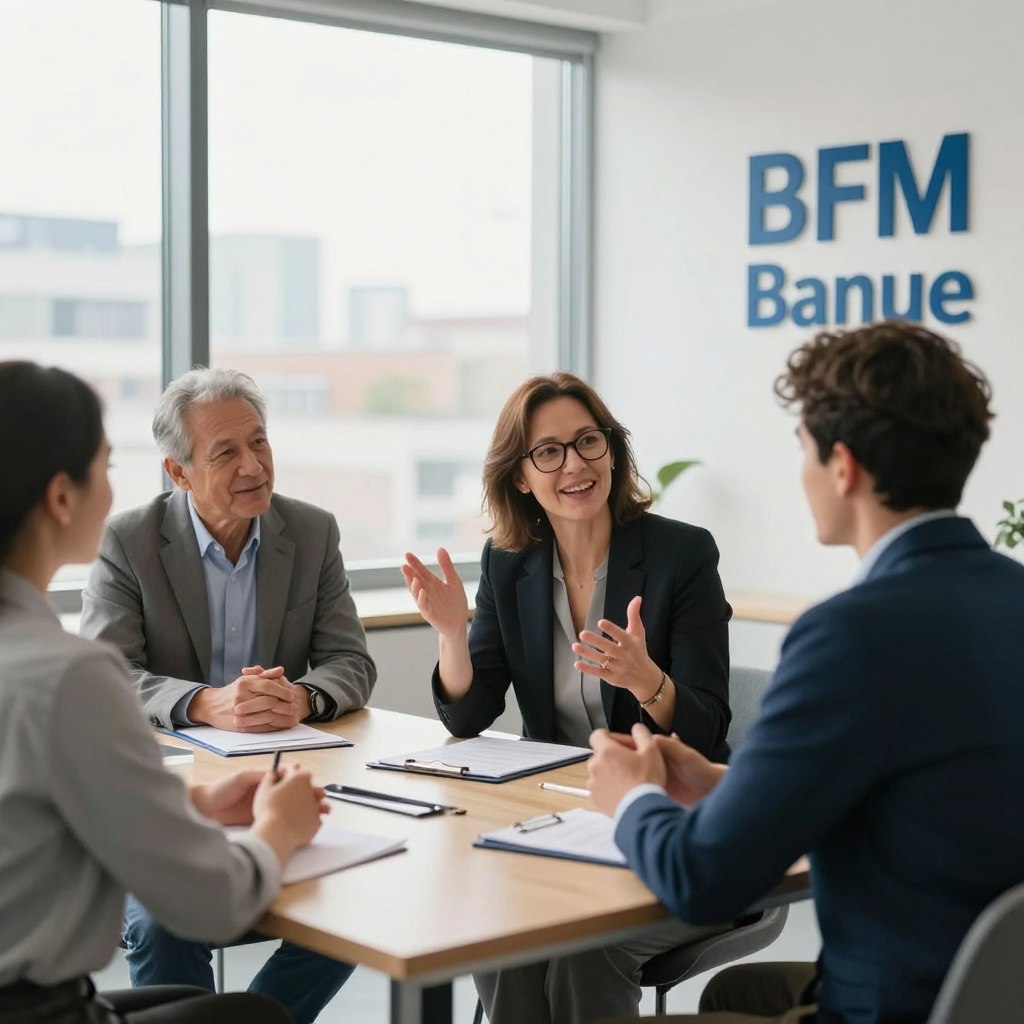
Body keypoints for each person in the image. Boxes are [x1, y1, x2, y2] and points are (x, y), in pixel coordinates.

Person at [588, 321, 1024, 1024]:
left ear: (843, 467)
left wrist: (630, 799)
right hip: (994, 991)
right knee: (738, 995)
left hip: (899, 1003)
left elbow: (702, 883)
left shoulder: (849, 635)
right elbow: (925, 795)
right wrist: (728, 787)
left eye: (804, 452)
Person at [0, 361, 329, 1024]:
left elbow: (32, 800)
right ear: (63, 497)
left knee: (186, 1001)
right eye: (106, 464)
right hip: (42, 1009)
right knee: (252, 1017)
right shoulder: (69, 672)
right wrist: (279, 829)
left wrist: (194, 799)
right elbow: (212, 903)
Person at [402, 372, 733, 1024]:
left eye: (588, 441)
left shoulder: (680, 556)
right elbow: (471, 715)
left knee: (582, 949)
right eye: (548, 451)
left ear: (611, 449)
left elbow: (708, 728)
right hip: (557, 822)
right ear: (521, 476)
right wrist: (453, 636)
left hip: (662, 822)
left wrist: (649, 683)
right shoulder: (509, 562)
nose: (575, 464)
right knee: (501, 936)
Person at [79, 368, 374, 1022]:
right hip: (175, 799)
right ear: (179, 473)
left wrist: (301, 698)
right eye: (226, 453)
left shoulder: (313, 531)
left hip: (283, 785)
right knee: (163, 925)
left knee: (366, 901)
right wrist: (203, 703)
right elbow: (107, 675)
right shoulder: (129, 542)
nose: (254, 466)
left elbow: (351, 662)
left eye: (260, 443)